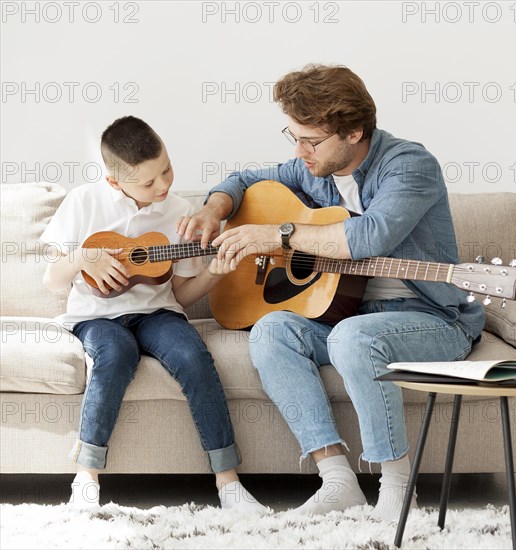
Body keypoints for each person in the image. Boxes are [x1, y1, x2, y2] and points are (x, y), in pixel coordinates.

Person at [177, 64, 485, 522]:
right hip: (352, 313)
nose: (299, 151)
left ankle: (398, 487)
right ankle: (338, 479)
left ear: (354, 132)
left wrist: (277, 235)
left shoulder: (410, 164)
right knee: (271, 330)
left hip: (432, 319)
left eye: (311, 141)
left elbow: (368, 238)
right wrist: (212, 208)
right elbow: (242, 180)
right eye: (294, 137)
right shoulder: (315, 168)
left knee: (353, 338)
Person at [41, 116, 266, 513]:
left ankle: (228, 481)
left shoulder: (179, 212)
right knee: (114, 355)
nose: (163, 185)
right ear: (114, 181)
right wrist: (82, 257)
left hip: (157, 313)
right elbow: (53, 281)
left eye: (166, 169)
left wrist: (214, 272)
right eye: (148, 182)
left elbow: (181, 292)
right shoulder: (84, 201)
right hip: (98, 317)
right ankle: (86, 476)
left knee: (194, 357)